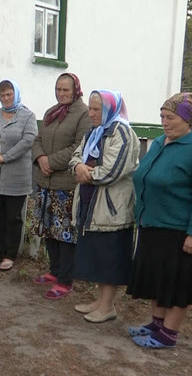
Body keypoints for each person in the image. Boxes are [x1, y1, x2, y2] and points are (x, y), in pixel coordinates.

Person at [126, 92, 192, 348]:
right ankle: (157, 323)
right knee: (157, 277)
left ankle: (169, 334)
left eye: (171, 117)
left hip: (177, 228)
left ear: (188, 120)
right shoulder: (159, 143)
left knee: (177, 283)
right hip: (152, 222)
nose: (165, 122)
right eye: (162, 116)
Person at [69, 90, 139, 323]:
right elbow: (76, 156)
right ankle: (100, 301)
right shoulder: (94, 131)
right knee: (97, 253)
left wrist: (86, 174)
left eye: (96, 109)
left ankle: (108, 306)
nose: (91, 113)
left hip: (111, 207)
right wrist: (78, 168)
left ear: (110, 109)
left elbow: (113, 170)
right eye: (90, 108)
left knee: (109, 255)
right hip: (91, 203)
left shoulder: (123, 134)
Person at [31, 73, 92, 300]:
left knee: (65, 233)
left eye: (66, 90)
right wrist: (40, 158)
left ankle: (66, 279)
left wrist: (51, 161)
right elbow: (38, 139)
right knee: (49, 230)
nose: (62, 93)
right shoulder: (51, 112)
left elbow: (80, 145)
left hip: (66, 183)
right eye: (58, 89)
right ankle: (54, 270)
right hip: (45, 181)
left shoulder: (83, 114)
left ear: (75, 89)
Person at [0, 80, 37, 271]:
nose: (6, 98)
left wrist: (5, 157)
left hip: (15, 174)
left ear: (16, 94)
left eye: (9, 94)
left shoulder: (27, 116)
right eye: (2, 95)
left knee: (13, 215)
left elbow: (28, 140)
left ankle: (9, 255)